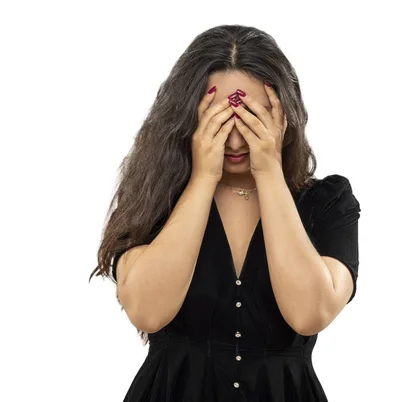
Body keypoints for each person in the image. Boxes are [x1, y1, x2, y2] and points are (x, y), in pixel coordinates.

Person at [90, 24, 361, 401]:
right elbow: (147, 312)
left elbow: (310, 314)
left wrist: (268, 171)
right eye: (218, 118)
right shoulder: (155, 195)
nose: (235, 139)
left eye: (251, 118)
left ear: (284, 115)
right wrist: (203, 177)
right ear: (187, 116)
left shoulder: (328, 201)